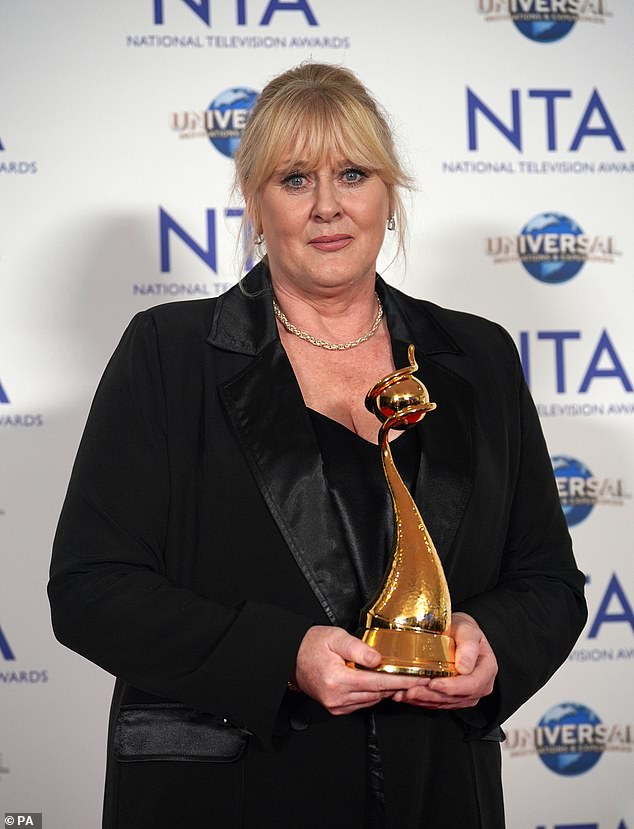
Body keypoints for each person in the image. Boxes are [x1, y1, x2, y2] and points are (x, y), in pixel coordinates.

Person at [49, 63, 587, 829]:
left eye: (353, 173)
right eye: (295, 178)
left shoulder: (479, 358)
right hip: (233, 796)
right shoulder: (169, 356)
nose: (329, 206)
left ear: (388, 196)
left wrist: (493, 641)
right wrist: (283, 657)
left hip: (433, 788)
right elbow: (90, 588)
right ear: (257, 205)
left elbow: (548, 581)